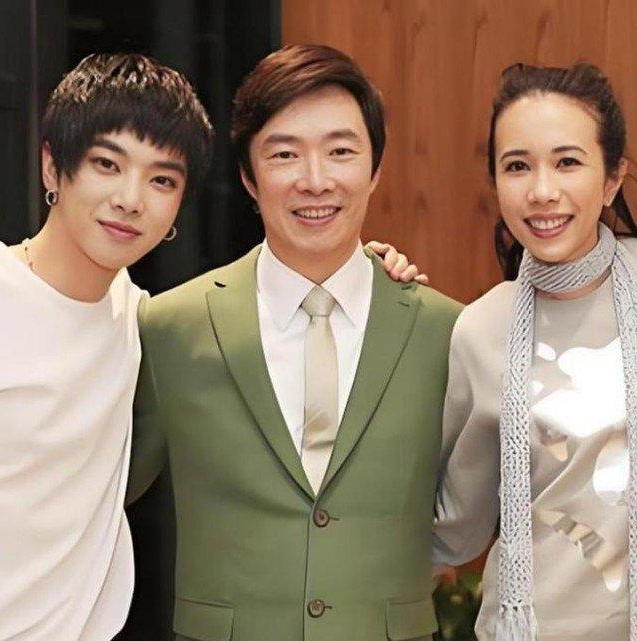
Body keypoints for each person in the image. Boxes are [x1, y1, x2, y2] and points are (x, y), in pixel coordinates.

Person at [0, 53, 213, 641]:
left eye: (162, 180)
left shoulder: (137, 318)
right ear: (52, 166)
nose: (131, 198)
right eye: (107, 163)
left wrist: (362, 272)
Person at [126, 44, 461, 641]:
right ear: (248, 177)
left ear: (375, 169)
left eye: (340, 151)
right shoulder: (171, 326)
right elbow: (99, 493)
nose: (315, 180)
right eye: (284, 154)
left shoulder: (447, 331)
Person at [434, 62, 637, 641]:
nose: (542, 191)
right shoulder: (481, 329)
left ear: (613, 178)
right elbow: (458, 526)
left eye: (567, 162)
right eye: (517, 166)